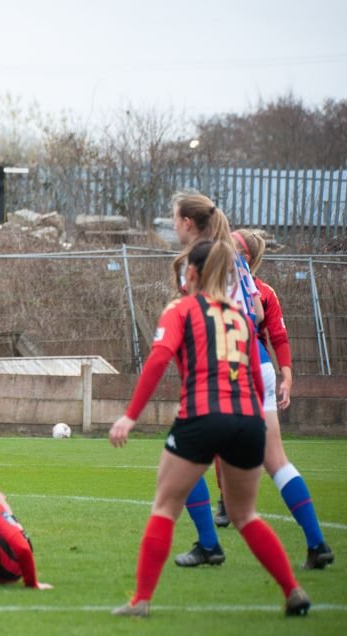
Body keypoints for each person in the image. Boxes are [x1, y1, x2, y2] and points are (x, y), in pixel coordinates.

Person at [108, 239, 309, 618]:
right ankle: (293, 590)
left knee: (165, 506)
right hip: (249, 420)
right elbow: (253, 375)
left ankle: (141, 601)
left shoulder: (180, 309)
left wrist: (130, 415)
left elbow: (157, 362)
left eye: (186, 269)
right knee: (246, 515)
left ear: (194, 273)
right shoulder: (238, 315)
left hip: (202, 415)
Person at [197, 230, 331, 570]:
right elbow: (255, 315)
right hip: (260, 365)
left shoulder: (217, 269)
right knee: (276, 461)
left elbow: (267, 325)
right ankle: (317, 543)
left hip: (237, 364)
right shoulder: (244, 276)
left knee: (189, 451)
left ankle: (210, 542)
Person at [166, 190, 266, 569]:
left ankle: (208, 544)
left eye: (175, 219)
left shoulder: (193, 262)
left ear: (188, 223)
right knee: (263, 481)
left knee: (182, 465)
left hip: (213, 374)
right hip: (246, 367)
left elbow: (189, 318)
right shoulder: (235, 259)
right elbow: (254, 314)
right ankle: (305, 561)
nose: (173, 225)